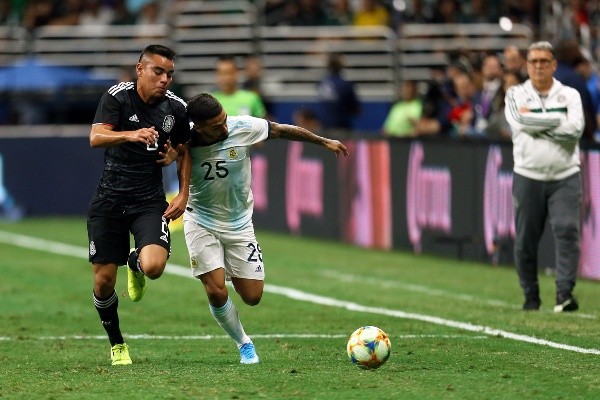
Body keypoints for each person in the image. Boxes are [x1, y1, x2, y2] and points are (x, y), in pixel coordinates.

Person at [182, 93, 348, 364]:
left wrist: (322, 140)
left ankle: (223, 270)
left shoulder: (241, 127)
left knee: (252, 296)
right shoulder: (185, 140)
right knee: (215, 289)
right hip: (201, 219)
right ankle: (243, 343)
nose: (225, 127)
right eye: (217, 125)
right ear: (199, 126)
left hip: (239, 224)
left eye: (224, 119)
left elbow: (281, 130)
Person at [87, 44, 191, 365]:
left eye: (170, 74)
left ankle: (136, 262)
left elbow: (184, 150)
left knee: (155, 267)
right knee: (104, 283)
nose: (165, 80)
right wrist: (130, 134)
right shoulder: (117, 97)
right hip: (109, 201)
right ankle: (117, 343)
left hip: (148, 201)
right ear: (140, 69)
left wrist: (183, 193)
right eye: (158, 72)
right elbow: (96, 137)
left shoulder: (176, 109)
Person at [504, 41, 584, 312]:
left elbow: (575, 131)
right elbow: (520, 122)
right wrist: (555, 119)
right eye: (534, 61)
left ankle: (564, 294)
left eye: (544, 61)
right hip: (528, 174)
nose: (539, 66)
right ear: (527, 65)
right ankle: (531, 295)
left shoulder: (570, 95)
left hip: (565, 174)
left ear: (554, 65)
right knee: (526, 239)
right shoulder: (515, 94)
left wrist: (537, 123)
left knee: (567, 230)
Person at [316, 52, 360, 135]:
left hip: (324, 128)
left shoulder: (321, 83)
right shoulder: (345, 85)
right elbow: (355, 110)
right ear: (341, 66)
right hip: (342, 129)